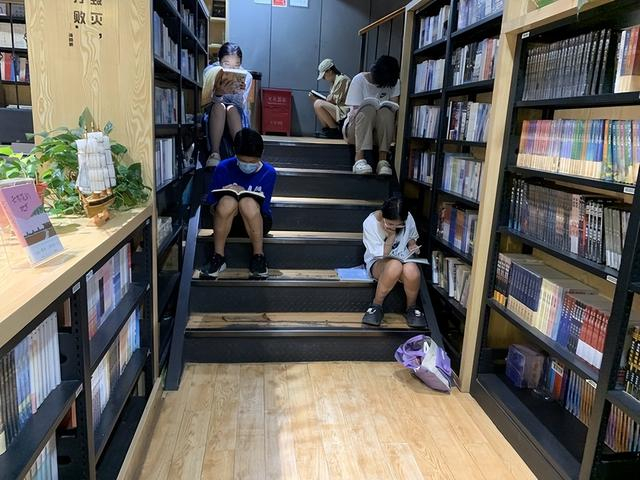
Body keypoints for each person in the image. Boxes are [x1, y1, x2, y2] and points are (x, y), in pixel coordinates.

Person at [200, 128, 276, 279]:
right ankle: (218, 256)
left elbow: (264, 207)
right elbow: (212, 206)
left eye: (252, 162)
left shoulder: (269, 173)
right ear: (235, 154)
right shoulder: (223, 167)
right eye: (243, 161)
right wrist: (226, 192)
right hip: (226, 222)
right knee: (228, 201)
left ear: (261, 155)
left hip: (257, 221)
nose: (247, 165)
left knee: (247, 202)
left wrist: (244, 194)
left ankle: (258, 256)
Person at [362, 197, 426, 328]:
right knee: (394, 266)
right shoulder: (370, 223)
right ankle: (376, 305)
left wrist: (412, 246)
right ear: (383, 215)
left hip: (402, 259)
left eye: (399, 225)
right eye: (390, 224)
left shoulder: (407, 217)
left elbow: (411, 237)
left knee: (412, 270)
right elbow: (382, 254)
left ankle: (411, 308)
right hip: (379, 262)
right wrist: (391, 236)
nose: (395, 228)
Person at [344, 55, 401, 176]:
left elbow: (394, 107)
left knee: (387, 111)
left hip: (379, 132)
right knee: (368, 109)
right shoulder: (359, 80)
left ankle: (383, 161)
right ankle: (359, 159)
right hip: (356, 129)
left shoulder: (393, 81)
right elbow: (354, 113)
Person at [202, 42, 253, 168]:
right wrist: (219, 93)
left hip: (235, 109)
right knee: (220, 106)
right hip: (215, 108)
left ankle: (240, 152)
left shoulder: (247, 76)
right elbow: (206, 101)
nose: (232, 69)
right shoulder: (210, 71)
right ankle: (215, 153)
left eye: (236, 65)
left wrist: (238, 92)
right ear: (219, 61)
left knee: (231, 109)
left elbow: (241, 104)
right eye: (226, 64)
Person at [309, 58, 350, 139]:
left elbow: (336, 101)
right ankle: (328, 130)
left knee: (318, 103)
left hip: (344, 112)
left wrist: (325, 100)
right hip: (339, 109)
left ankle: (334, 130)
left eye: (324, 76)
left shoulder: (342, 79)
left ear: (330, 71)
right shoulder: (334, 81)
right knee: (316, 103)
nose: (324, 78)